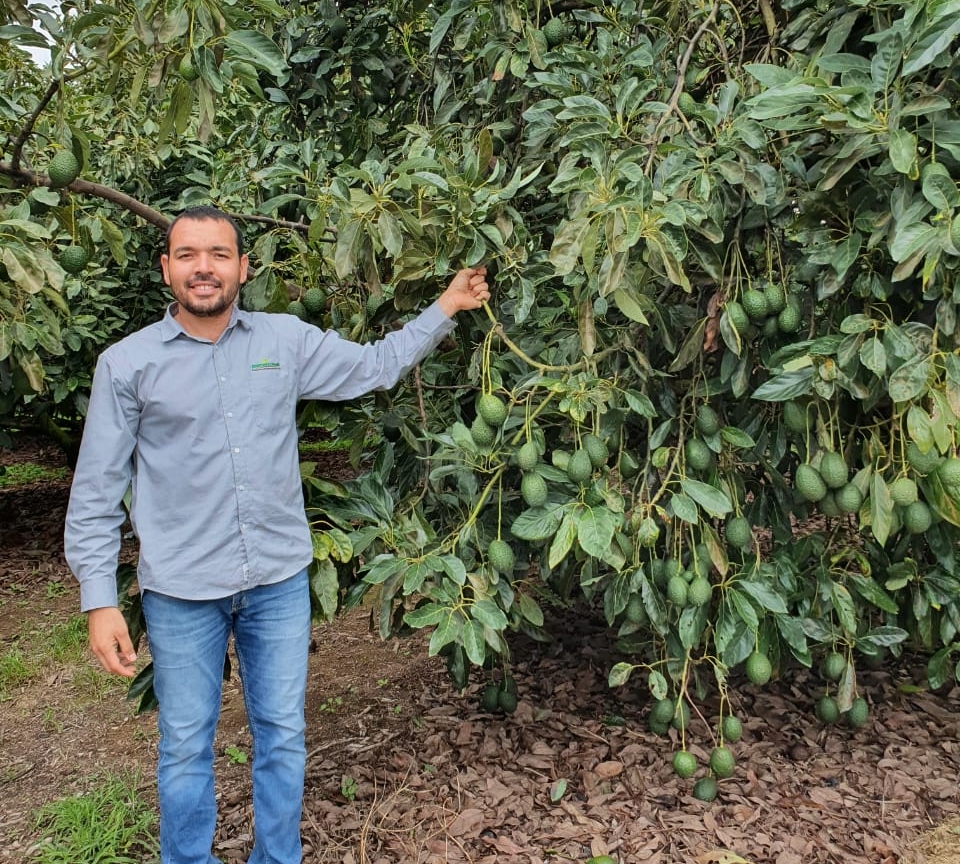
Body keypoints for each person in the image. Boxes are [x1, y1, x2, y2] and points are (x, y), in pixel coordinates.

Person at [63, 205, 490, 864]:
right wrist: (98, 600)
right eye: (187, 255)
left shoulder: (283, 342)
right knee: (184, 743)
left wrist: (447, 306)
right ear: (166, 269)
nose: (203, 268)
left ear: (243, 267)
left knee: (283, 734)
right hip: (181, 592)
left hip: (277, 583)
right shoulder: (128, 366)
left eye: (218, 254)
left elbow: (373, 367)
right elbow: (94, 493)